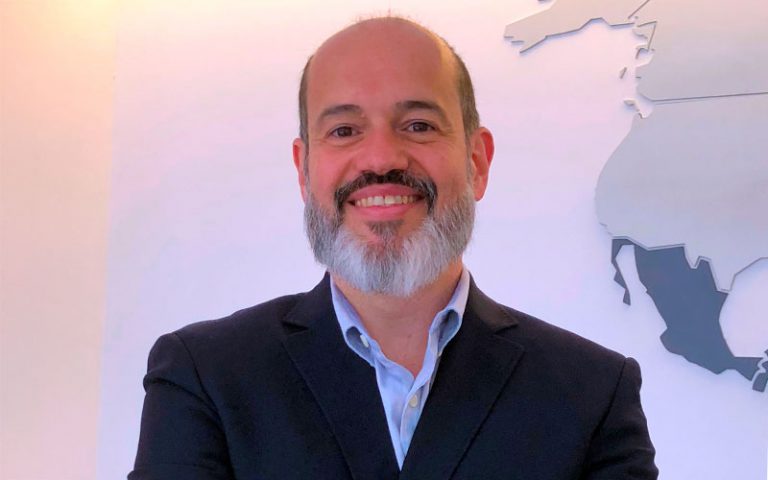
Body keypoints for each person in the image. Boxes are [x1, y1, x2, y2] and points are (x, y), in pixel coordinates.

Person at [129, 16, 658, 480]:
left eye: (418, 125)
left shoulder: (592, 393)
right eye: (344, 130)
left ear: (477, 162)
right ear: (303, 170)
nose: (381, 157)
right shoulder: (204, 377)